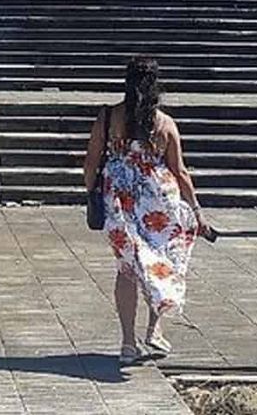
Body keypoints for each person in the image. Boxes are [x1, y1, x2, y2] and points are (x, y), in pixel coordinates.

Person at [84, 55, 213, 365]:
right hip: (159, 200)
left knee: (127, 268)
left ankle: (128, 342)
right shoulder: (165, 124)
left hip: (120, 202)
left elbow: (90, 162)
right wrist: (197, 210)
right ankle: (154, 330)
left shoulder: (108, 117)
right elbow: (180, 171)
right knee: (162, 262)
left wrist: (92, 194)